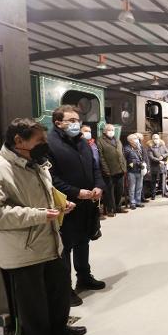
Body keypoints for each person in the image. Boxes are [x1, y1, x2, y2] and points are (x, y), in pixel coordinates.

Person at [0, 118, 85, 335]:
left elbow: (45, 194)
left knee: (58, 289)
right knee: (33, 300)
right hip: (23, 248)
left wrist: (61, 203)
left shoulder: (36, 164)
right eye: (40, 140)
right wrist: (38, 215)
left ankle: (58, 328)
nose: (46, 143)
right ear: (18, 141)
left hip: (50, 241)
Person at [47, 105, 107, 307]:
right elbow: (50, 178)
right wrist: (75, 192)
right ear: (58, 123)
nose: (76, 123)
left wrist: (99, 185)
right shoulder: (50, 144)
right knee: (65, 247)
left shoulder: (83, 143)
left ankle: (84, 276)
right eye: (71, 120)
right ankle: (65, 288)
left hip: (87, 203)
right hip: (67, 205)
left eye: (77, 120)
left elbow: (95, 167)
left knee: (83, 241)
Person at [96, 124, 128, 216]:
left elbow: (122, 153)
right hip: (109, 171)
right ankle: (110, 209)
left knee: (119, 190)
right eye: (110, 130)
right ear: (105, 131)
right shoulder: (100, 141)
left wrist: (124, 166)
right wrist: (106, 170)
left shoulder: (117, 139)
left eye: (113, 130)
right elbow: (101, 157)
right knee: (109, 192)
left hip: (120, 170)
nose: (112, 131)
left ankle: (118, 207)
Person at [124, 134, 145, 210]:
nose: (137, 140)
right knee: (132, 188)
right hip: (131, 172)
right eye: (135, 138)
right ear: (130, 140)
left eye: (137, 138)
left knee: (139, 187)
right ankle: (132, 203)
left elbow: (142, 157)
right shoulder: (127, 149)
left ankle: (138, 202)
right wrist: (134, 163)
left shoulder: (138, 147)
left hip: (140, 171)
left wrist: (142, 163)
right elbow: (125, 160)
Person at [147, 134, 168, 200]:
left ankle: (164, 193)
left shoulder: (162, 146)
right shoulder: (150, 147)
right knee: (153, 181)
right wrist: (159, 161)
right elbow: (151, 157)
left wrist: (163, 156)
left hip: (162, 166)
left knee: (163, 180)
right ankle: (153, 195)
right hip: (154, 166)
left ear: (159, 139)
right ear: (152, 139)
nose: (155, 139)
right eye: (154, 138)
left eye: (157, 138)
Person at [135, 132, 150, 203]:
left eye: (139, 138)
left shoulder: (141, 146)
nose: (139, 140)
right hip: (138, 167)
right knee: (138, 184)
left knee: (142, 183)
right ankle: (138, 199)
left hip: (143, 167)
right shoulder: (134, 147)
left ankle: (142, 197)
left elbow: (146, 157)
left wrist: (148, 167)